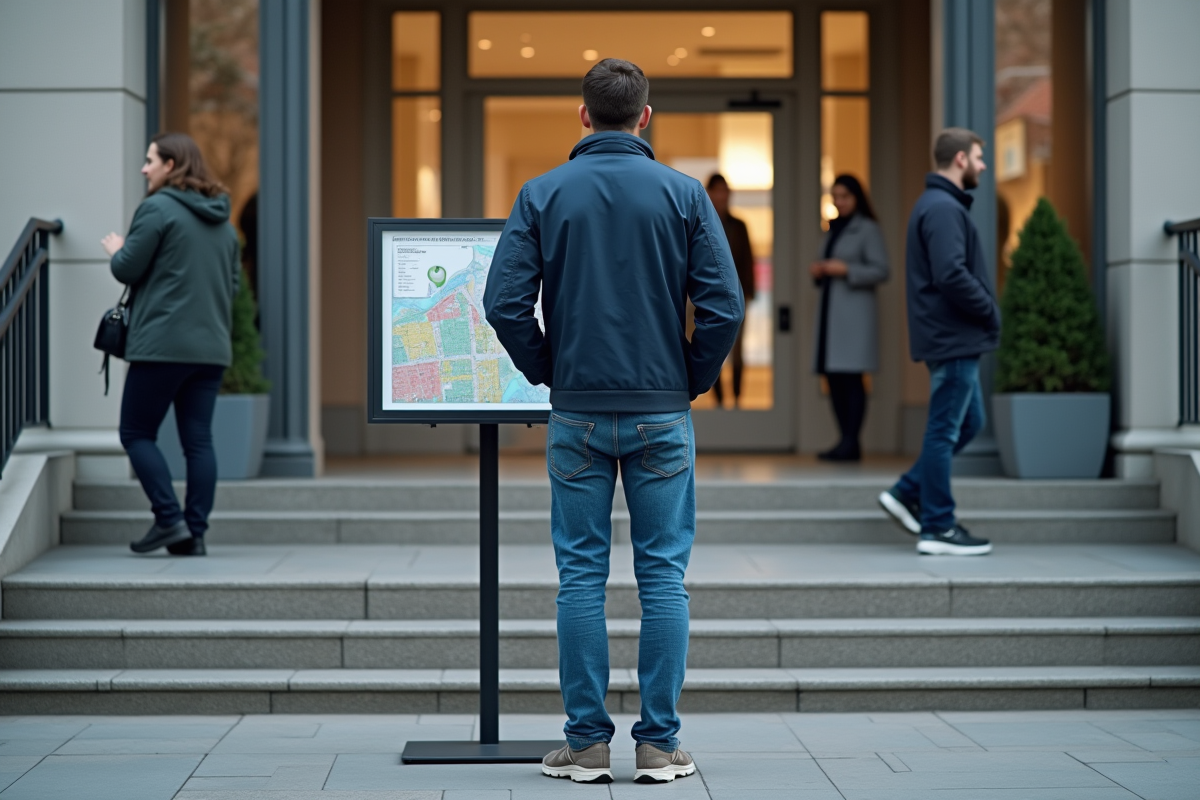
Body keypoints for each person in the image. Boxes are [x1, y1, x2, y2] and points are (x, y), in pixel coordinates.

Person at [484, 58, 743, 784]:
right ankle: (659, 746)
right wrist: (687, 378)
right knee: (664, 578)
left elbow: (504, 304)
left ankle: (587, 743)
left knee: (579, 578)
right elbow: (725, 306)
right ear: (644, 117)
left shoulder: (541, 193)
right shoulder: (686, 194)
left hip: (579, 414)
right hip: (663, 411)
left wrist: (548, 369)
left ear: (583, 116)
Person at [102, 132, 240, 558]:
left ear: (171, 164)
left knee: (136, 432)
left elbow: (127, 269)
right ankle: (193, 534)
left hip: (161, 346)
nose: (144, 169)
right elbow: (232, 286)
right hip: (211, 349)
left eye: (150, 160)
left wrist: (117, 249)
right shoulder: (223, 222)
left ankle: (169, 519)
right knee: (198, 440)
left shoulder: (157, 209)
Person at [877, 128, 999, 556]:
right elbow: (951, 274)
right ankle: (938, 526)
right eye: (980, 157)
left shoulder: (939, 205)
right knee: (945, 429)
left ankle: (907, 491)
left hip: (951, 336)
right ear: (961, 159)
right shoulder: (944, 208)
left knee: (968, 423)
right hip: (954, 337)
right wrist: (988, 307)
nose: (984, 166)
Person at [810, 174, 889, 461]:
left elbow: (882, 270)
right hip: (832, 315)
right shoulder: (832, 230)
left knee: (852, 378)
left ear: (857, 198)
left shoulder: (867, 229)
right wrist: (821, 270)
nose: (839, 202)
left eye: (844, 196)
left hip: (854, 319)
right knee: (833, 378)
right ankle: (844, 440)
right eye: (835, 196)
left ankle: (852, 441)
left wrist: (846, 270)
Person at [704, 174, 755, 408]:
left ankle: (736, 400)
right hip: (705, 296)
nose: (720, 196)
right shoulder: (701, 223)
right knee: (710, 348)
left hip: (737, 295)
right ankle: (720, 401)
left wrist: (749, 294)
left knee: (738, 351)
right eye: (716, 191)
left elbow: (747, 261)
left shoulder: (738, 226)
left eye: (724, 191)